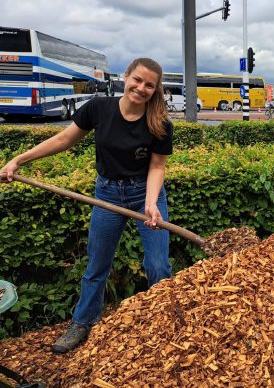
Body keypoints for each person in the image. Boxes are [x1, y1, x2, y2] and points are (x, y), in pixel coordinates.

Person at [0, 57, 173, 353]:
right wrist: (19, 160)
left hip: (146, 195)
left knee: (157, 265)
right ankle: (82, 321)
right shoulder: (99, 108)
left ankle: (165, 325)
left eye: (149, 85)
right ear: (126, 76)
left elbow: (157, 167)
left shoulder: (159, 124)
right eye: (137, 80)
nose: (141, 88)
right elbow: (64, 139)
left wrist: (149, 203)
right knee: (97, 264)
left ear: (155, 90)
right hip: (106, 195)